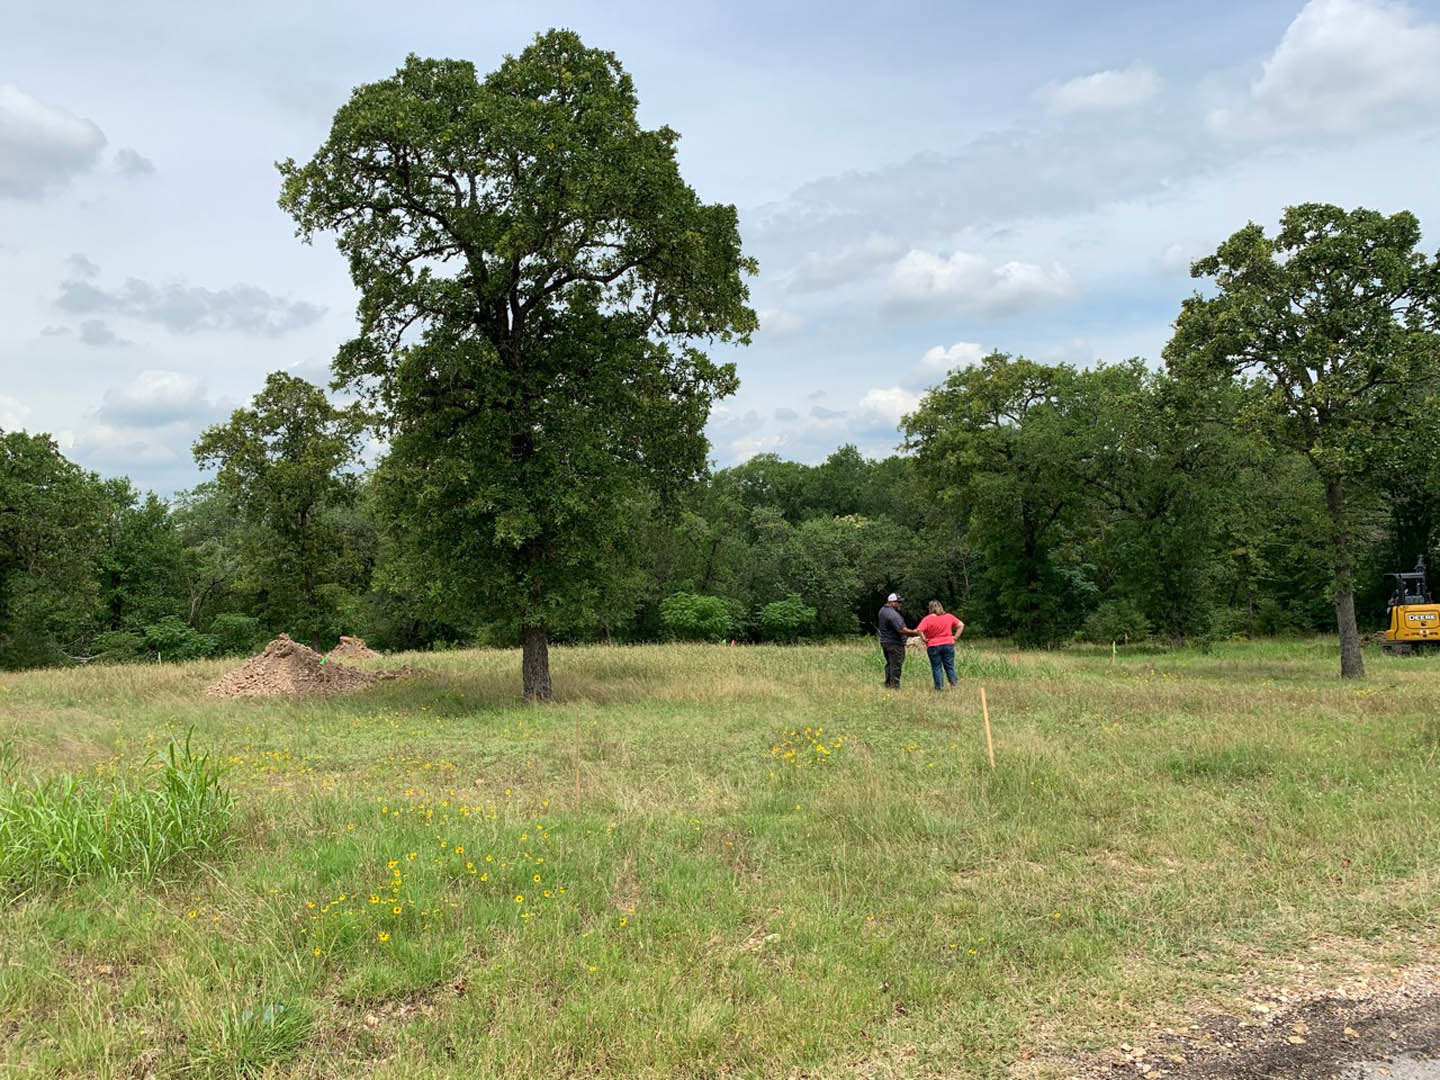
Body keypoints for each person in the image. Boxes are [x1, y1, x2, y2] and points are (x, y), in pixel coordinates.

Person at [914, 600, 964, 691]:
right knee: (950, 666)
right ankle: (954, 685)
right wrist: (955, 637)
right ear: (941, 607)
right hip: (948, 643)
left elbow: (919, 630)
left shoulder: (927, 619)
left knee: (936, 667)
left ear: (930, 608)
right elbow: (961, 625)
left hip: (933, 645)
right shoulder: (949, 616)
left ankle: (939, 687)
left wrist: (924, 639)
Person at [877, 593, 921, 689]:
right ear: (891, 602)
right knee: (896, 665)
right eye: (898, 602)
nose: (900, 604)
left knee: (889, 664)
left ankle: (888, 684)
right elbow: (902, 630)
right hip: (894, 644)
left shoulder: (882, 611)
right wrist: (915, 632)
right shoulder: (892, 614)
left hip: (885, 642)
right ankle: (895, 686)